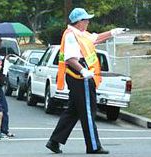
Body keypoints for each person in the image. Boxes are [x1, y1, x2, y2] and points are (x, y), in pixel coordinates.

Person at [45, 8, 127, 154]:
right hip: (80, 76)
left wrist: (113, 32)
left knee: (73, 111)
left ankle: (54, 141)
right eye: (86, 19)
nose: (88, 22)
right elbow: (70, 59)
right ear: (79, 22)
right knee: (88, 111)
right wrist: (83, 71)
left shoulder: (80, 34)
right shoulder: (71, 35)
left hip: (80, 76)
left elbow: (96, 38)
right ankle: (93, 146)